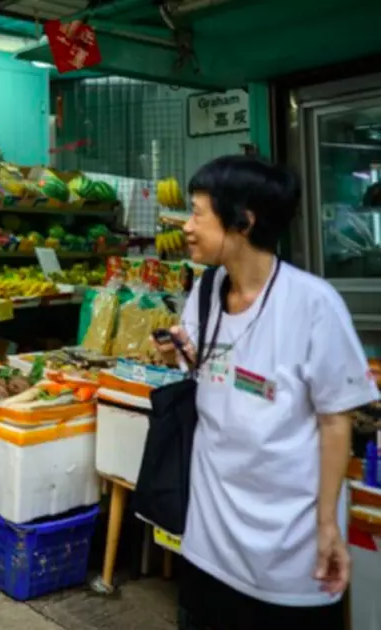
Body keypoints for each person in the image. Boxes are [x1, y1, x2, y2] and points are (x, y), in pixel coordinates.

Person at [152, 156, 378, 630]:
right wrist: (181, 352)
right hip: (209, 541)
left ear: (243, 221)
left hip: (289, 550)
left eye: (197, 213)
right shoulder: (208, 288)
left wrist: (327, 526)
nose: (186, 227)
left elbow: (335, 420)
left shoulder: (313, 304)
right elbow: (205, 364)